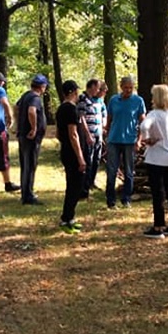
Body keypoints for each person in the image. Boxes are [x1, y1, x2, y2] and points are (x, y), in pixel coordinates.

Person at [139, 84, 168, 238]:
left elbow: (143, 126)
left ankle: (158, 226)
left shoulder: (154, 114)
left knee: (158, 192)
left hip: (156, 158)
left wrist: (147, 139)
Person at [104, 75, 146, 209]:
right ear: (121, 87)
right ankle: (111, 201)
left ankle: (126, 199)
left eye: (131, 88)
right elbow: (109, 119)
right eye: (126, 87)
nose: (128, 90)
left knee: (128, 171)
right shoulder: (113, 100)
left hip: (130, 141)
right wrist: (106, 133)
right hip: (114, 140)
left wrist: (139, 140)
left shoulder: (138, 101)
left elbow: (143, 122)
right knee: (111, 171)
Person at [56, 80, 86, 233]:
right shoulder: (71, 109)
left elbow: (57, 133)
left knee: (72, 185)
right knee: (75, 186)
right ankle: (66, 219)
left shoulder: (60, 109)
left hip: (65, 150)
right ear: (73, 92)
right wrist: (80, 157)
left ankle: (70, 216)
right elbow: (73, 134)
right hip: (73, 153)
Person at [15, 74, 48, 205]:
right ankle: (28, 195)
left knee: (25, 164)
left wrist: (19, 123)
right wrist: (34, 128)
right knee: (30, 164)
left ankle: (25, 191)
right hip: (31, 137)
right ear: (42, 86)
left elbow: (16, 107)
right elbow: (31, 111)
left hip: (23, 134)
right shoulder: (35, 98)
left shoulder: (25, 95)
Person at [77, 78, 106, 195]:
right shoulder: (82, 99)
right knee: (88, 160)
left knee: (96, 159)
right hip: (89, 135)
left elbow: (103, 114)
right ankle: (84, 188)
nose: (98, 90)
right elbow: (81, 117)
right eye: (97, 87)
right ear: (92, 86)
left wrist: (103, 128)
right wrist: (87, 134)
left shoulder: (98, 100)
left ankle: (91, 182)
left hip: (98, 134)